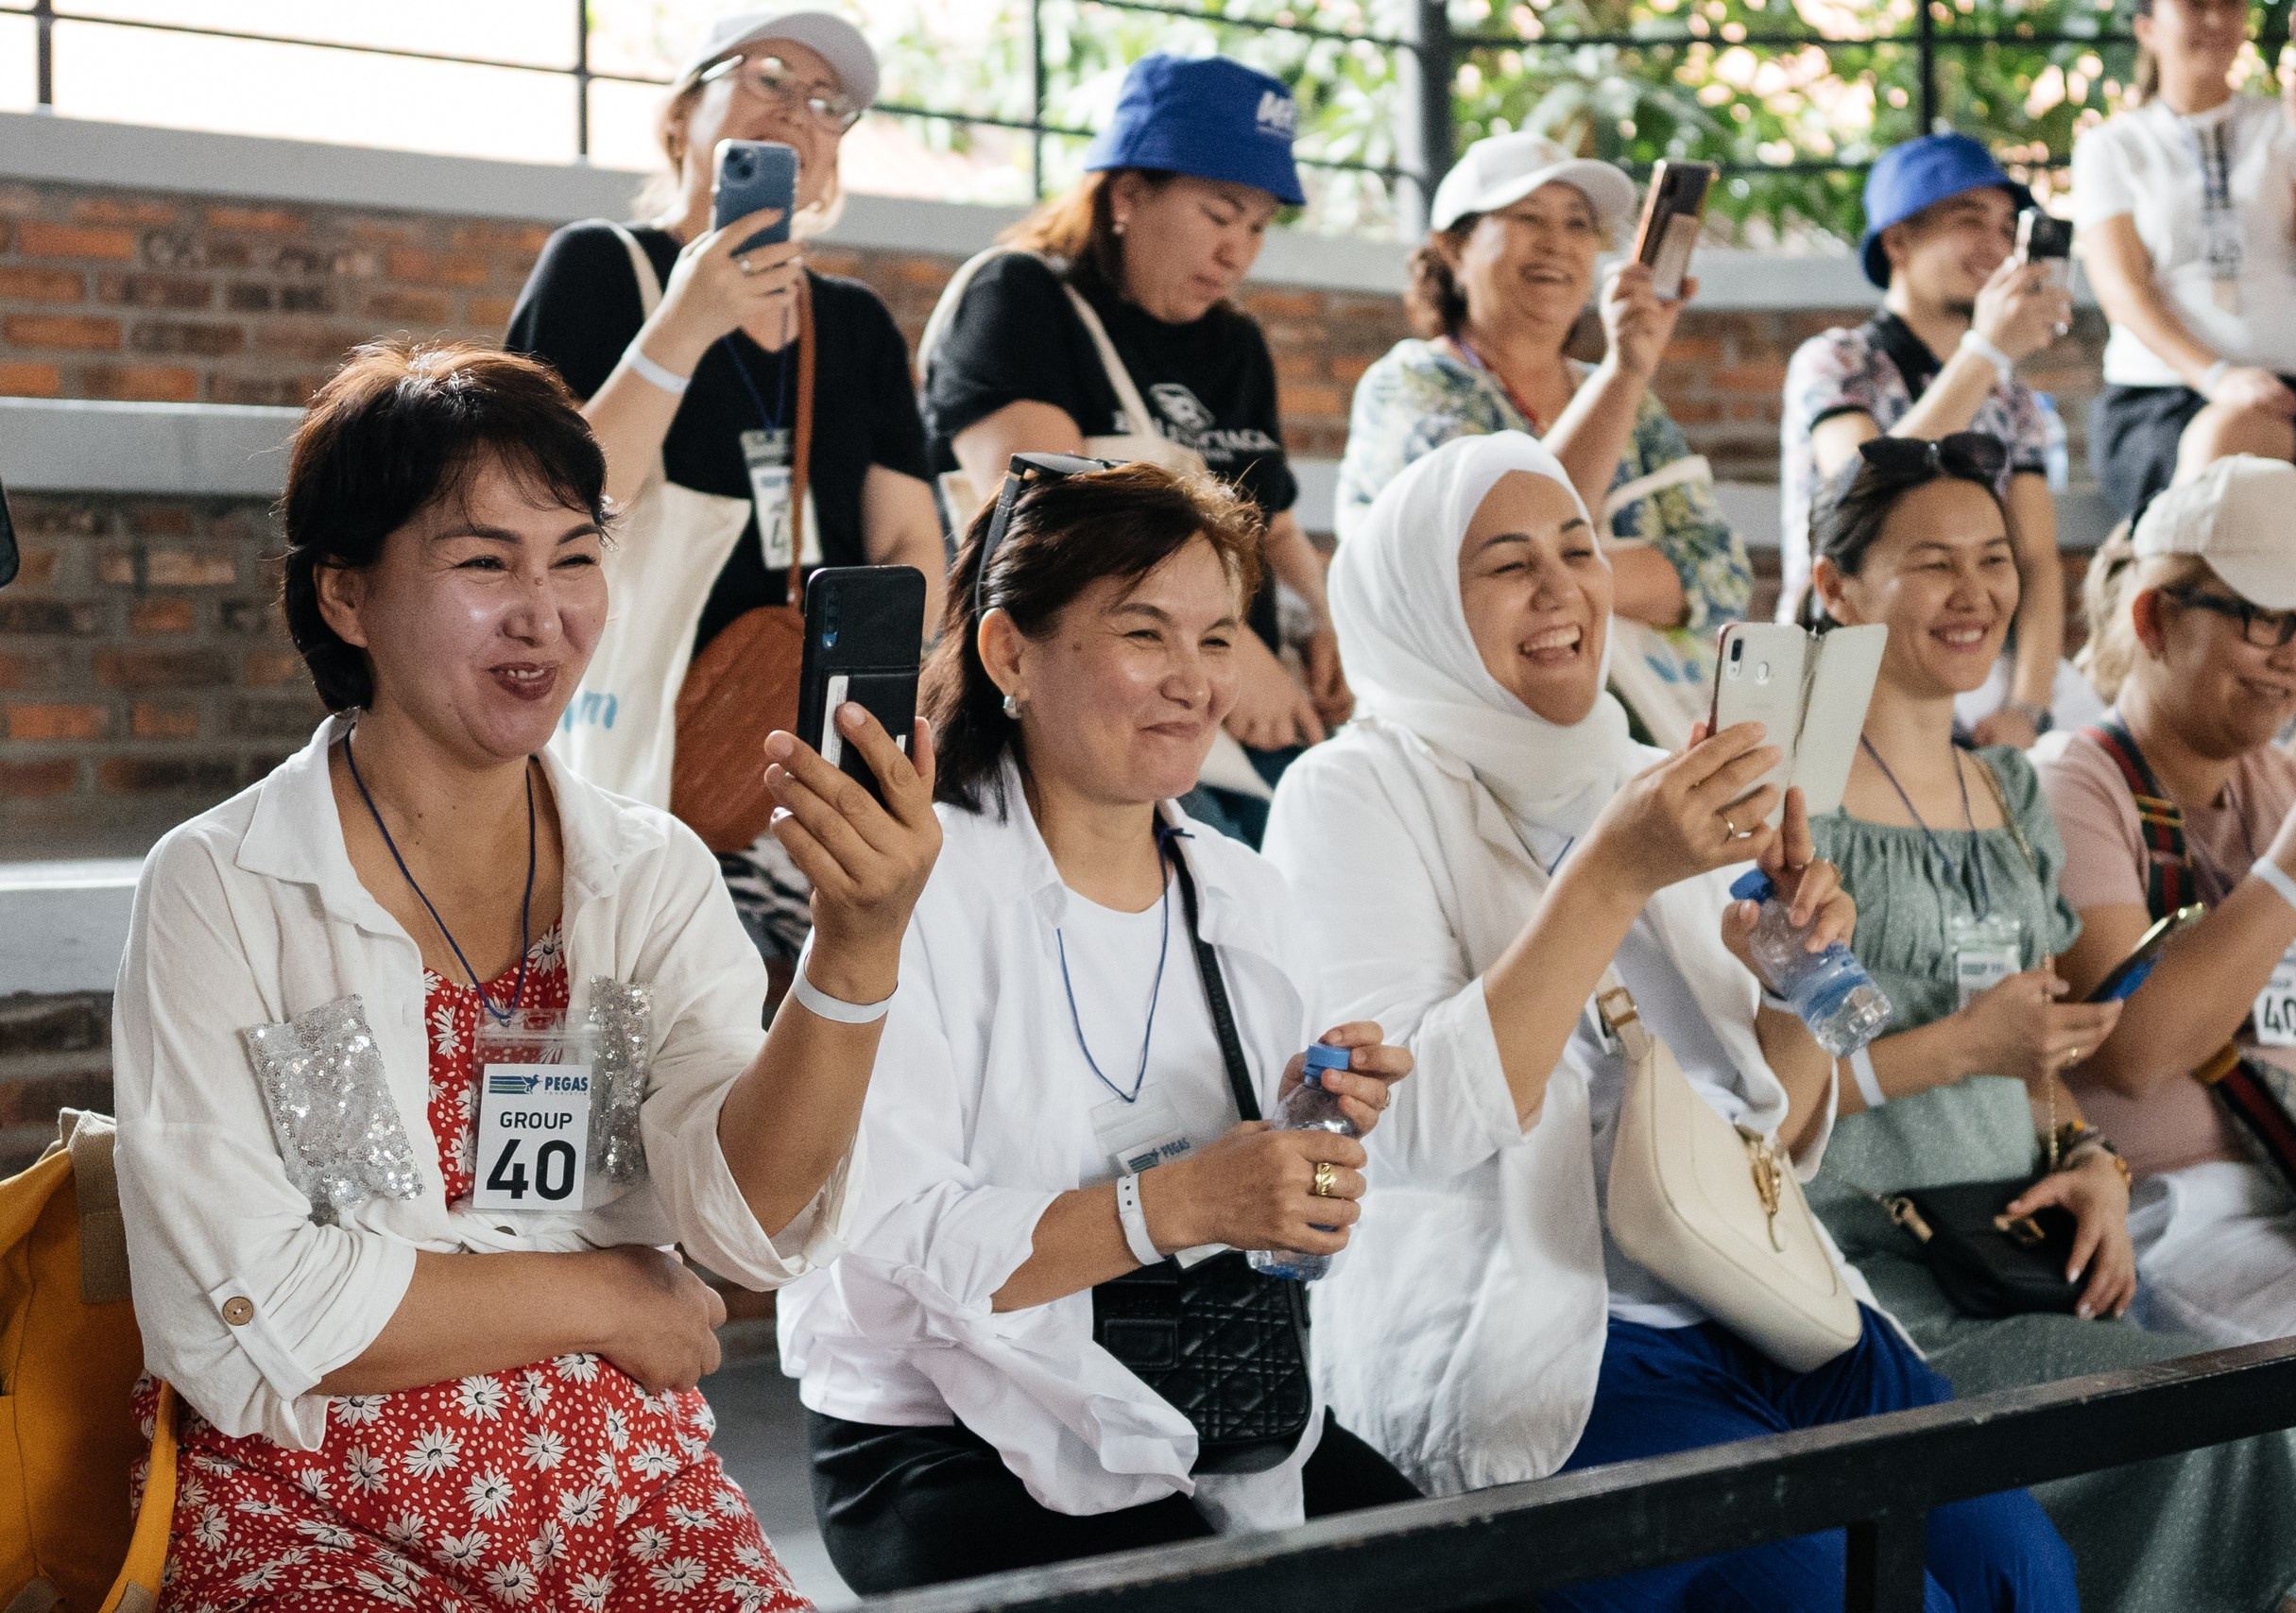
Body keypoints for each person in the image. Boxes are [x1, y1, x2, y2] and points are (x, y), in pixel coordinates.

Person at [112, 341, 941, 1604]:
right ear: (347, 595)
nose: (544, 612)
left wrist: (854, 947)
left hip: (628, 1486)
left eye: (574, 556)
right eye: (483, 561)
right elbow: (264, 1300)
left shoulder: (651, 870)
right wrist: (610, 1290)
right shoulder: (224, 884)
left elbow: (744, 1220)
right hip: (311, 1506)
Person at [1263, 432, 2080, 1612]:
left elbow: (1772, 1128)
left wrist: (1798, 981)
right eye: (1506, 565)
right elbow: (1411, 1126)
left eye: (1579, 549)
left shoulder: (1646, 774)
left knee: (2022, 1575)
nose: (1561, 589)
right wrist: (1610, 876)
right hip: (1561, 1332)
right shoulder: (1353, 792)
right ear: (1420, 605)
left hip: (1757, 1287)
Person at [775, 457, 1427, 1594]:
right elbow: (887, 1255)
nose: (1193, 683)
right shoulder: (913, 887)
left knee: (1473, 1575)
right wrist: (1181, 1201)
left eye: (1218, 639)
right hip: (942, 1437)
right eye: (1144, 634)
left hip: (1202, 1395)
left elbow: (1273, 1235)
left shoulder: (1243, 893)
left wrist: (1303, 1144)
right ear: (1007, 652)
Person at [1803, 436, 2296, 1613]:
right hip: (1864, 1279)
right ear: (1833, 589)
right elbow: (1760, 1105)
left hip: (2018, 1255)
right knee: (2240, 1431)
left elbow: (2046, 1067)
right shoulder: (1782, 805)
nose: (1975, 595)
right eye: (1931, 564)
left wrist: (2089, 1163)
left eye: (1995, 560)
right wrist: (1963, 1050)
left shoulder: (2004, 793)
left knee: (2250, 1434)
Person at [508, 8, 944, 979]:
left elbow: (911, 535)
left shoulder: (855, 324)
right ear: (682, 117)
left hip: (807, 758)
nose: (798, 111)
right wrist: (687, 321)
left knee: (806, 1036)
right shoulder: (600, 269)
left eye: (828, 104)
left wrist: (867, 714)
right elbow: (545, 509)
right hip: (634, 738)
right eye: (768, 77)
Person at [2040, 455, 2296, 1531]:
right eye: (2263, 619)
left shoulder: (2289, 785)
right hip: (2183, 1226)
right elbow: (2136, 1052)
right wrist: (2293, 869)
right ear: (2155, 616)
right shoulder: (2073, 780)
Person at [919, 54, 1346, 838]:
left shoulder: (1237, 345)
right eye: (1219, 216)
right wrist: (1234, 652)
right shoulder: (1018, 298)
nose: (1238, 253)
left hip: (1233, 703)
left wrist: (1326, 624)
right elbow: (1051, 518)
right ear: (1126, 194)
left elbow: (1273, 521)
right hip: (1088, 719)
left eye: (1257, 227)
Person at [1334, 133, 1754, 745]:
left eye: (1579, 224)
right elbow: (1456, 573)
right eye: (1527, 217)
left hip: (1642, 730)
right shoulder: (1412, 384)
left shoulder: (1630, 403)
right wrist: (1625, 372)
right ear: (1453, 247)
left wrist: (1539, 572)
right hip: (1464, 738)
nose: (1557, 242)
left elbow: (1720, 574)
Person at [1781, 134, 2095, 745]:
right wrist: (1986, 351)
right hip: (1851, 654)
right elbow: (1857, 489)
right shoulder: (1836, 360)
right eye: (1968, 220)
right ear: (1898, 240)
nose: (1996, 245)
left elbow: (2035, 560)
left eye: (2008, 227)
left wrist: (2028, 709)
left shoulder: (2014, 398)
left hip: (1979, 656)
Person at [2074, 0, 2296, 527]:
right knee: (2223, 445)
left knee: (2232, 437)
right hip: (2154, 397)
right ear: (2147, 28)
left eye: (2230, 5)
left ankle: (2150, 572)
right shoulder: (2112, 146)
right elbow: (2124, 293)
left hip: (2293, 389)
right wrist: (2218, 377)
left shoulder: (2287, 124)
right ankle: (2167, 571)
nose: (2217, 20)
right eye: (2195, 5)